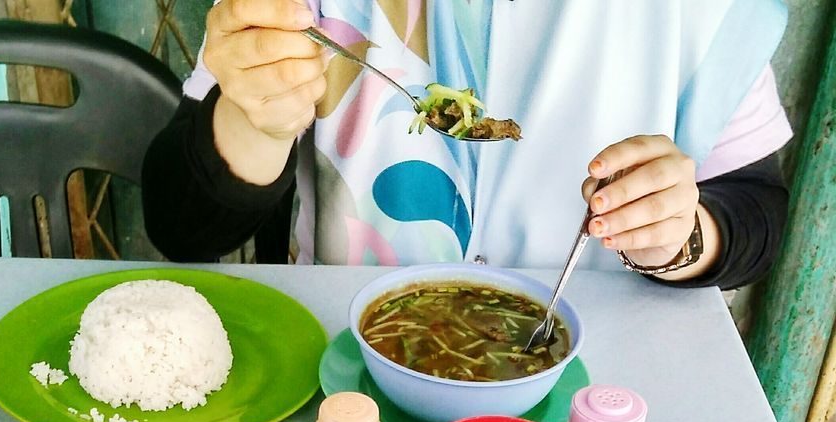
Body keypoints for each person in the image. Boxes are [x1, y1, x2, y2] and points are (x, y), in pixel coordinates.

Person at [142, 0, 792, 288]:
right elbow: (178, 221)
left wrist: (682, 235)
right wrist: (253, 124)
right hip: (349, 391)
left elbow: (756, 209)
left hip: (593, 405)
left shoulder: (702, 10)